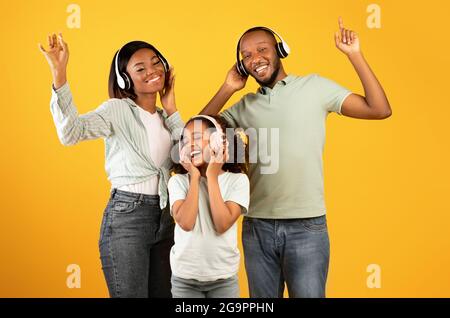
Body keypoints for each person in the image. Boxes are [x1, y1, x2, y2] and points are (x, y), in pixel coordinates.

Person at [199, 18, 392, 298]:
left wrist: (355, 55)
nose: (256, 59)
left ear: (280, 50)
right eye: (247, 56)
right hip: (257, 226)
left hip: (307, 226)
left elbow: (379, 109)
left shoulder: (315, 87)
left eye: (263, 49)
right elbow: (199, 131)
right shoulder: (245, 105)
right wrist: (228, 88)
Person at [39, 34, 184, 297]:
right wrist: (59, 74)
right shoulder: (116, 110)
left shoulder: (165, 118)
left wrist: (172, 108)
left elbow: (188, 157)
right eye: (140, 68)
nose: (151, 71)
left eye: (155, 63)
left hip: (166, 217)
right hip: (127, 218)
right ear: (124, 79)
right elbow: (71, 133)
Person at [167, 115, 249, 298]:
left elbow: (222, 224)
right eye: (185, 140)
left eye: (196, 137)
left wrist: (212, 177)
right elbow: (186, 223)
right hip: (184, 281)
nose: (190, 145)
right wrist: (195, 178)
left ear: (217, 142)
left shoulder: (238, 181)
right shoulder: (178, 182)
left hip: (224, 280)